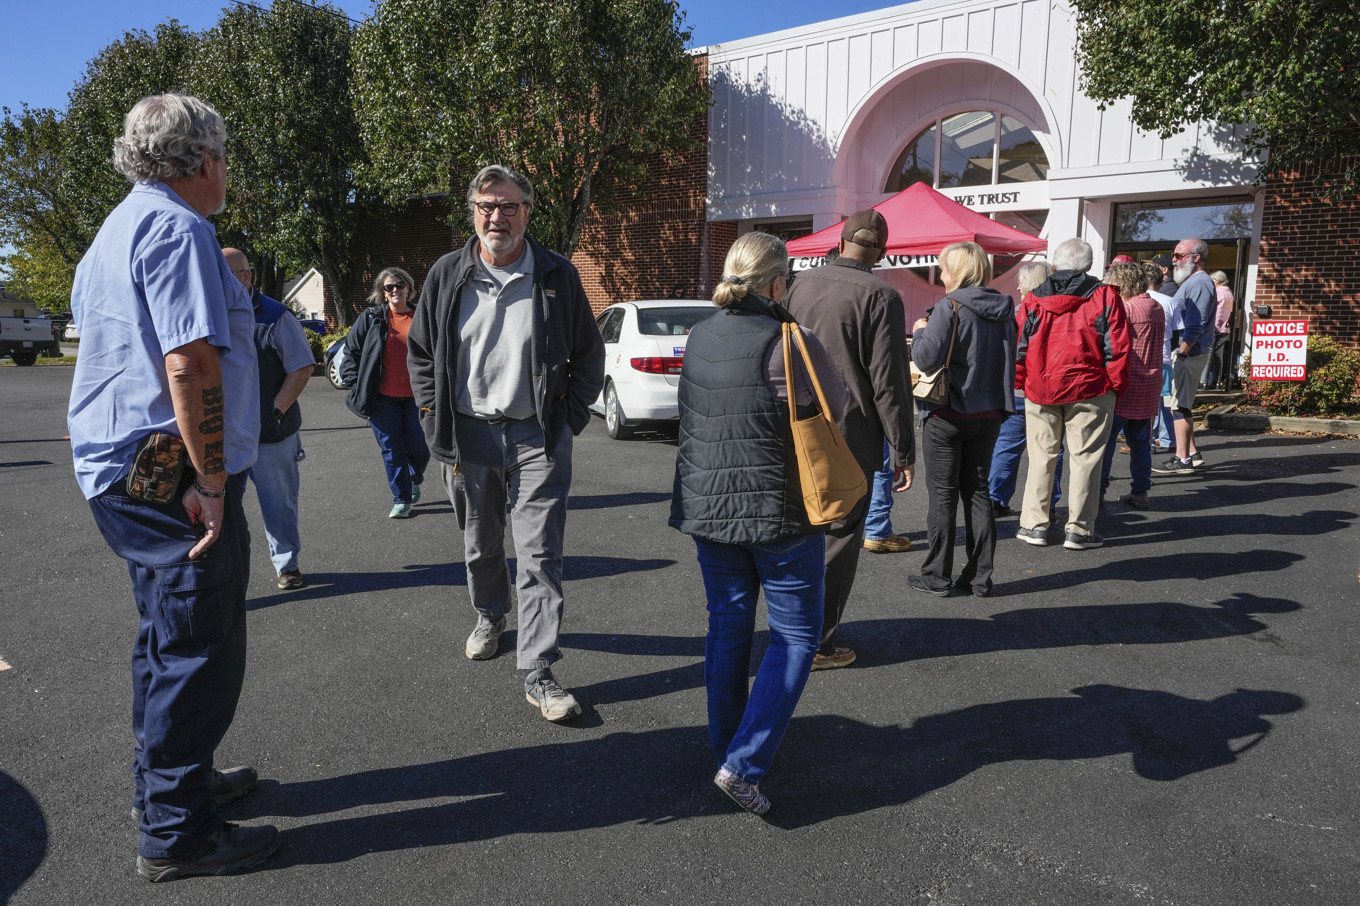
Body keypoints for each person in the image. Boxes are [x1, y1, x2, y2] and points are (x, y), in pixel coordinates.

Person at [66, 93, 278, 881]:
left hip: (127, 470)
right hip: (168, 476)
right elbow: (189, 363)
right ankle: (176, 832)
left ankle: (171, 787)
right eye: (223, 157)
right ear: (202, 161)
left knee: (166, 638)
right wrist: (213, 481)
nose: (225, 173)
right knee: (196, 643)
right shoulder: (180, 228)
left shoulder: (116, 228)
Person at [408, 164, 605, 722]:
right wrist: (431, 416)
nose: (498, 216)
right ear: (473, 212)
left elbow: (590, 357)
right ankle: (491, 613)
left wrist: (566, 421)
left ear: (527, 211)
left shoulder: (557, 276)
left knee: (540, 552)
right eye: (487, 206)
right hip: (467, 433)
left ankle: (539, 670)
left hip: (537, 435)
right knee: (480, 543)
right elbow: (421, 355)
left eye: (509, 206)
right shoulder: (447, 274)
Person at [669, 231, 848, 815]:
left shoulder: (697, 336)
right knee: (796, 636)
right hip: (781, 511)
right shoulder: (790, 340)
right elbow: (835, 406)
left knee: (727, 630)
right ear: (775, 282)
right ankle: (742, 764)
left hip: (708, 508)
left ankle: (728, 749)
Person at [783, 209, 915, 670]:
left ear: (839, 242)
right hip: (850, 433)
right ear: (881, 252)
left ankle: (790, 631)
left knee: (798, 532)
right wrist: (903, 449)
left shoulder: (799, 284)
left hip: (794, 424)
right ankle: (816, 643)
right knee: (839, 538)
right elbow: (890, 382)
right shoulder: (882, 295)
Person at [907, 242, 1016, 597]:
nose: (940, 274)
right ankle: (980, 577)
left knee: (943, 497)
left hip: (948, 412)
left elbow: (924, 360)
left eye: (942, 268)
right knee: (978, 493)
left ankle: (936, 576)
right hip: (990, 412)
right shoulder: (1005, 309)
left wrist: (920, 329)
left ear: (956, 271)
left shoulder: (948, 306)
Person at [1013, 238, 1129, 550]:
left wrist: (1020, 381)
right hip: (1090, 388)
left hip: (1041, 386)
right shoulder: (1105, 296)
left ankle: (1034, 525)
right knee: (1085, 460)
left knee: (1041, 458)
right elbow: (1117, 347)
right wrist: (1116, 386)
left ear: (1054, 266)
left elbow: (1019, 347)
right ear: (1089, 266)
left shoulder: (1034, 298)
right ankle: (1079, 530)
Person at [223, 247, 314, 589]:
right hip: (226, 434)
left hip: (271, 434)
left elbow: (302, 367)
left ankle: (287, 564)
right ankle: (228, 574)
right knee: (225, 509)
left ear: (246, 276)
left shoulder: (276, 316)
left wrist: (275, 409)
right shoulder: (211, 313)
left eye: (225, 275)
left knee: (279, 506)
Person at [340, 267, 431, 517]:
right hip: (381, 399)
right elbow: (351, 351)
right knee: (392, 448)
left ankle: (414, 477)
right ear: (383, 292)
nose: (394, 290)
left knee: (420, 446)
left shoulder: (422, 317)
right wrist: (354, 383)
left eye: (399, 285)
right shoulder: (372, 318)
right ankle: (401, 499)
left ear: (409, 288)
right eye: (389, 287)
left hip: (418, 397)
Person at [987, 260, 1063, 518]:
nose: (1017, 287)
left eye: (1020, 282)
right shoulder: (1061, 310)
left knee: (1007, 445)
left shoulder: (1018, 312)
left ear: (1030, 283)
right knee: (1052, 449)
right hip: (1053, 390)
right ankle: (1049, 503)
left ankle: (995, 499)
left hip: (1018, 389)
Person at [1098, 262, 1164, 509]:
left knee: (1106, 441)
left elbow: (1112, 344)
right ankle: (1140, 491)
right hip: (1151, 381)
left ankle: (1099, 492)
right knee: (1141, 442)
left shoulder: (1126, 308)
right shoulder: (1156, 305)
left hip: (1128, 382)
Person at [1152, 238, 1214, 474]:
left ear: (1195, 258)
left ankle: (1182, 459)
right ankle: (1193, 454)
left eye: (1179, 255)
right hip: (1186, 353)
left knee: (1179, 407)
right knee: (1178, 404)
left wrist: (1183, 353)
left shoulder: (1199, 283)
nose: (1174, 260)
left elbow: (1195, 325)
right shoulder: (1194, 282)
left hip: (1188, 354)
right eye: (1174, 255)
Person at [1144, 261, 1180, 453]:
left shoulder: (1135, 301)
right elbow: (1176, 331)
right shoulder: (1170, 301)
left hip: (1143, 357)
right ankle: (1168, 439)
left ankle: (1147, 440)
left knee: (1147, 402)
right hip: (1164, 355)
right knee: (1165, 401)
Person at [1206, 270, 1235, 388]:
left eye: (1212, 280)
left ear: (1217, 281)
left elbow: (1217, 313)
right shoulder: (1229, 293)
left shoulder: (1217, 292)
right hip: (1225, 328)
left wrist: (1211, 326)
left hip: (1214, 327)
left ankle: (1204, 381)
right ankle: (1217, 381)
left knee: (1208, 354)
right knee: (1219, 355)